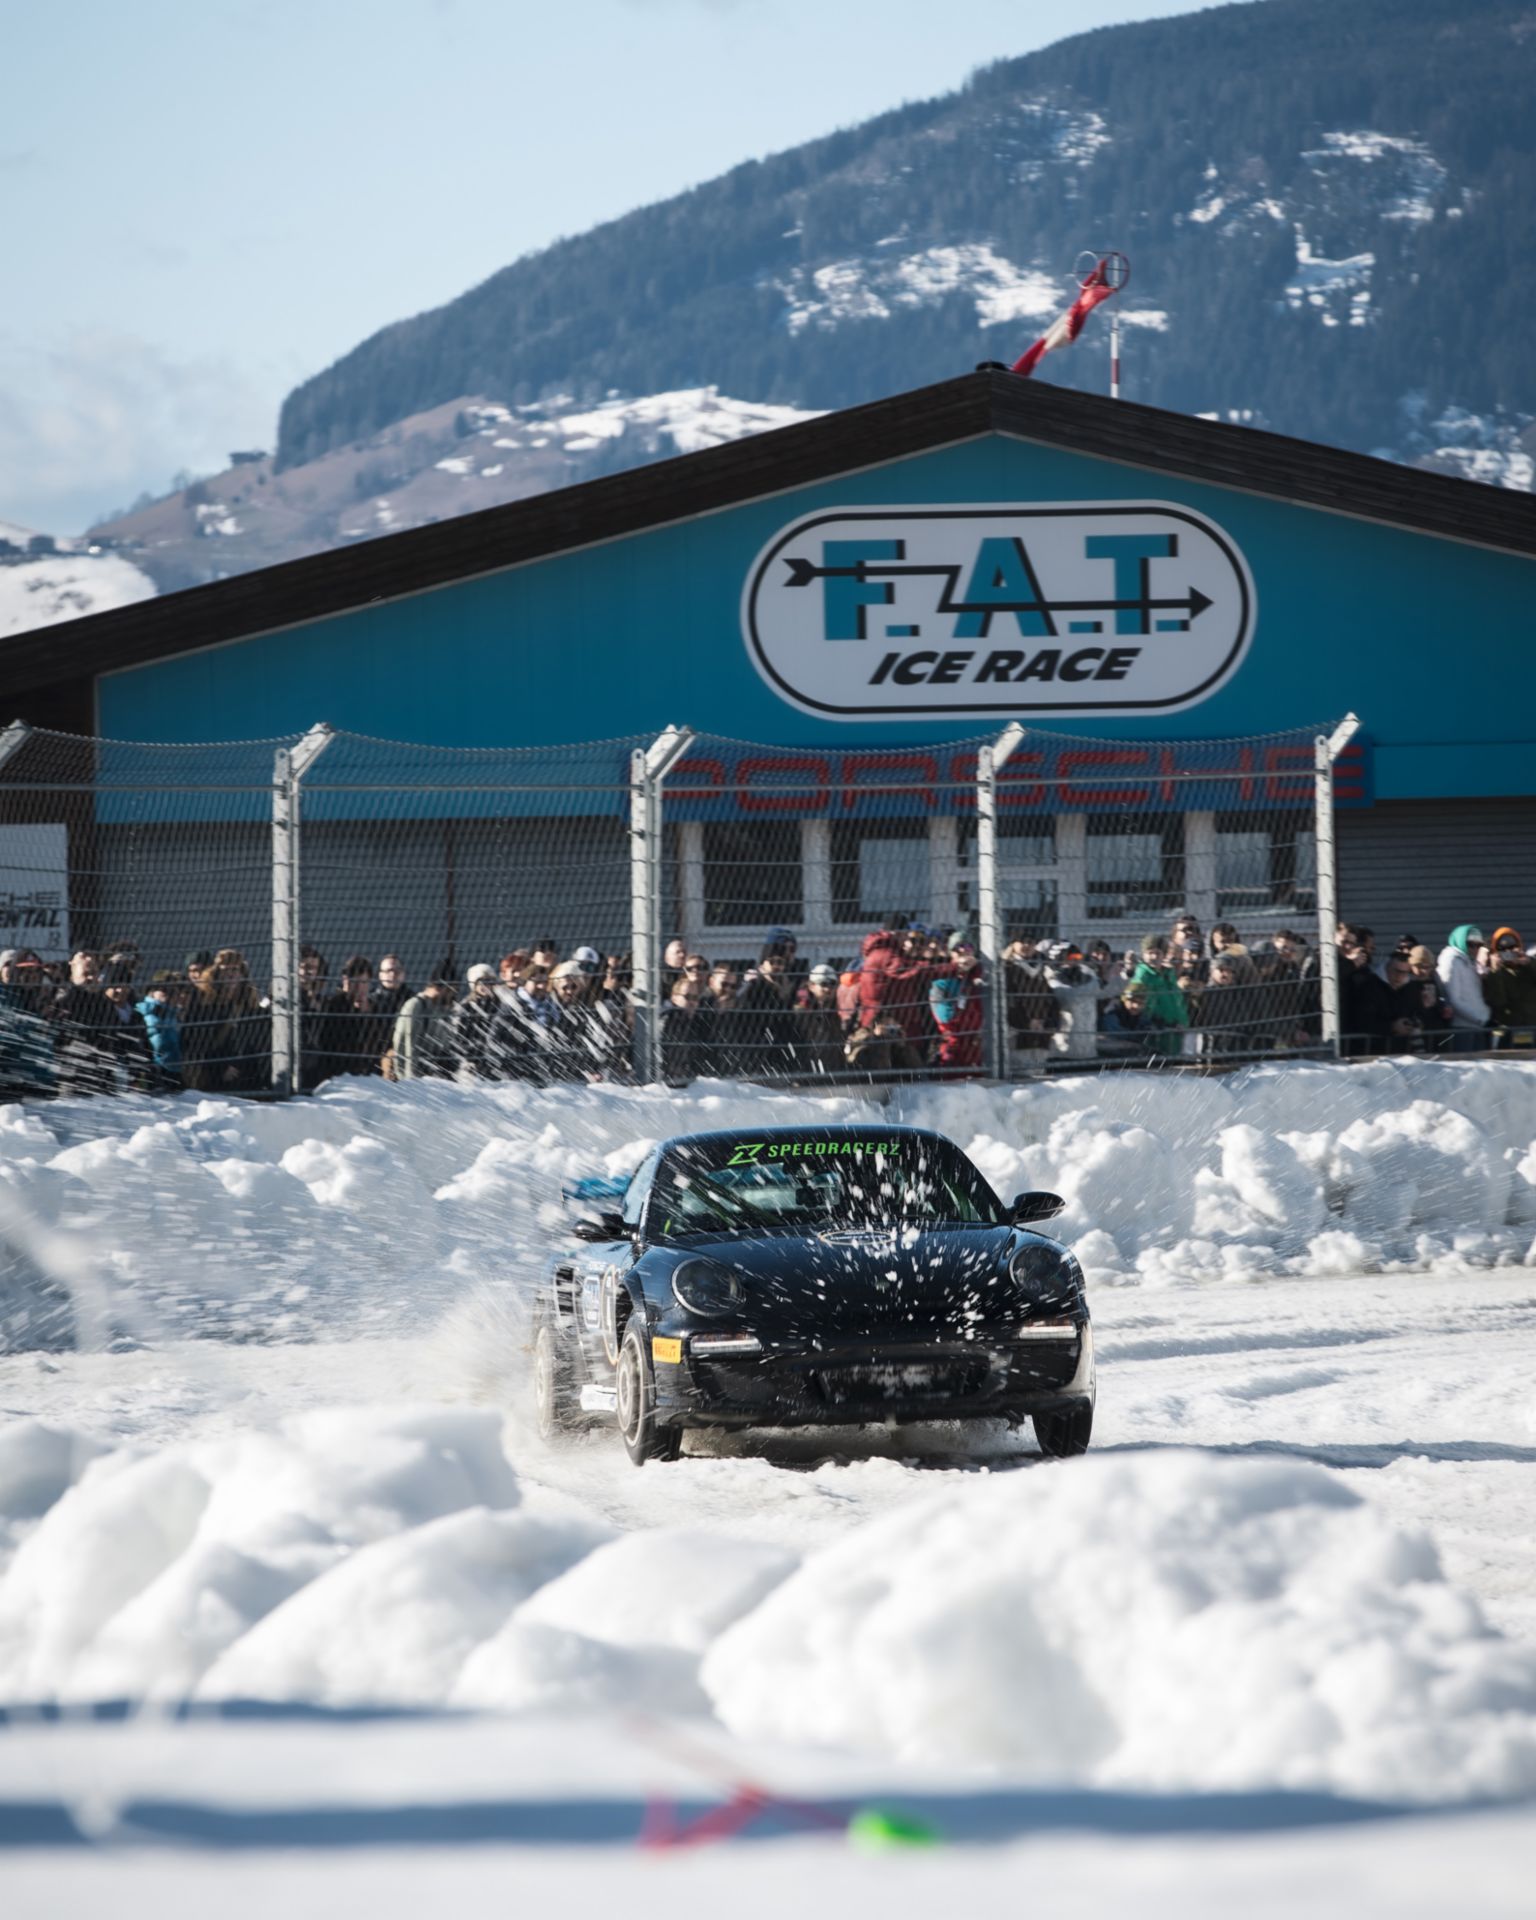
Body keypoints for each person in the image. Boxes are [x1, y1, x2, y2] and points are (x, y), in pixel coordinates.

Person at [50, 949, 117, 1094]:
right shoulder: (64, 998)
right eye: (86, 974)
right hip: (71, 1070)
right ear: (73, 970)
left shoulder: (104, 1001)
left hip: (101, 1069)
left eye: (95, 973)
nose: (92, 978)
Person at [734, 940, 801, 1078]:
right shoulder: (753, 986)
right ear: (763, 963)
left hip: (780, 1052)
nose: (777, 966)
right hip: (755, 1050)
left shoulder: (787, 987)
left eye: (781, 962)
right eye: (773, 961)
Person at [320, 954, 385, 1079]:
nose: (359, 988)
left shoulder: (375, 1009)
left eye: (364, 982)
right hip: (339, 1073)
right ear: (345, 981)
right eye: (354, 982)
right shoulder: (333, 1006)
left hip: (370, 1073)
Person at [0, 949, 55, 1096]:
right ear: (14, 972)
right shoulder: (4, 995)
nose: (31, 976)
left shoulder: (34, 997)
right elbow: (9, 1033)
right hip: (11, 1079)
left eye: (35, 972)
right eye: (25, 971)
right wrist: (37, 1022)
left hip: (37, 1080)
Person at [928, 939, 984, 1075]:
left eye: (968, 946)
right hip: (953, 1036)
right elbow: (943, 1014)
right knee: (951, 1071)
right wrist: (954, 1016)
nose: (964, 950)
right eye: (958, 948)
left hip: (973, 1037)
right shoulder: (944, 977)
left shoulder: (977, 975)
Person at [392, 973, 459, 1080]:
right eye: (450, 992)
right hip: (415, 1078)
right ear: (439, 988)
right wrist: (411, 1082)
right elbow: (409, 1048)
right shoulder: (416, 1006)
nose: (452, 997)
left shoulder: (440, 1009)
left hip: (433, 1078)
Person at [1130, 935, 1188, 1058]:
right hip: (1155, 1030)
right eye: (1150, 953)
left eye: (1158, 953)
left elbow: (1178, 1001)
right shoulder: (1142, 976)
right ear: (1143, 954)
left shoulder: (1169, 974)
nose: (1154, 957)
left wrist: (1182, 1021)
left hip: (1175, 1028)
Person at [1437, 925, 1490, 1052]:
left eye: (1479, 945)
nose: (1475, 948)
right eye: (1471, 944)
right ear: (1461, 941)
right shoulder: (1452, 961)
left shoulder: (1469, 961)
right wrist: (1479, 1017)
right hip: (1461, 1026)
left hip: (1476, 1025)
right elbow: (1453, 998)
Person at [1003, 934, 1058, 1058]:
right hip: (1017, 1021)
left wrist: (1044, 1019)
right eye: (1022, 941)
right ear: (1013, 944)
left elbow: (1049, 995)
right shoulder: (1007, 967)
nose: (1027, 945)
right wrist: (1027, 1021)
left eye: (1030, 942)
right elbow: (1010, 998)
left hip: (1042, 1022)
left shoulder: (1043, 965)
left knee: (1040, 1058)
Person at [659, 973, 717, 1084]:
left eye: (695, 998)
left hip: (693, 1079)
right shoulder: (667, 1020)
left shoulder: (699, 1023)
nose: (692, 1002)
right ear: (674, 998)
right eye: (687, 997)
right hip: (667, 1080)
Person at [1046, 942, 1100, 1062]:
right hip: (1063, 1051)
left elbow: (1104, 991)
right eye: (1072, 958)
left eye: (1078, 957)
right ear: (1059, 959)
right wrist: (1092, 984)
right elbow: (1070, 998)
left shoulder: (1086, 977)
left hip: (1088, 1049)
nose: (1076, 961)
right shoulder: (1052, 980)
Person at [1484, 927, 1536, 1048]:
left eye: (1512, 948)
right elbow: (1498, 1000)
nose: (1508, 953)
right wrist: (1495, 970)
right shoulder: (1496, 973)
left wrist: (1529, 962)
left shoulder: (1528, 967)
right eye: (1502, 950)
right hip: (1511, 1028)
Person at [795, 962, 848, 1076]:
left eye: (832, 984)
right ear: (811, 985)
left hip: (833, 1063)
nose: (828, 988)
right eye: (823, 984)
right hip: (807, 1063)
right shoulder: (802, 1008)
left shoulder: (837, 1006)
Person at [136, 971, 185, 1089]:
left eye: (173, 991)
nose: (169, 994)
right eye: (164, 989)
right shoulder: (144, 1012)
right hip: (154, 1071)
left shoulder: (173, 1014)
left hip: (172, 1069)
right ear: (152, 992)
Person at [1099, 980, 1157, 1059]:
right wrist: (1136, 1043)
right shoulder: (1112, 1017)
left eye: (1140, 1003)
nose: (1136, 1006)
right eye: (1132, 1001)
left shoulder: (1141, 1017)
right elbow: (1113, 1039)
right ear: (1124, 999)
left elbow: (1150, 1028)